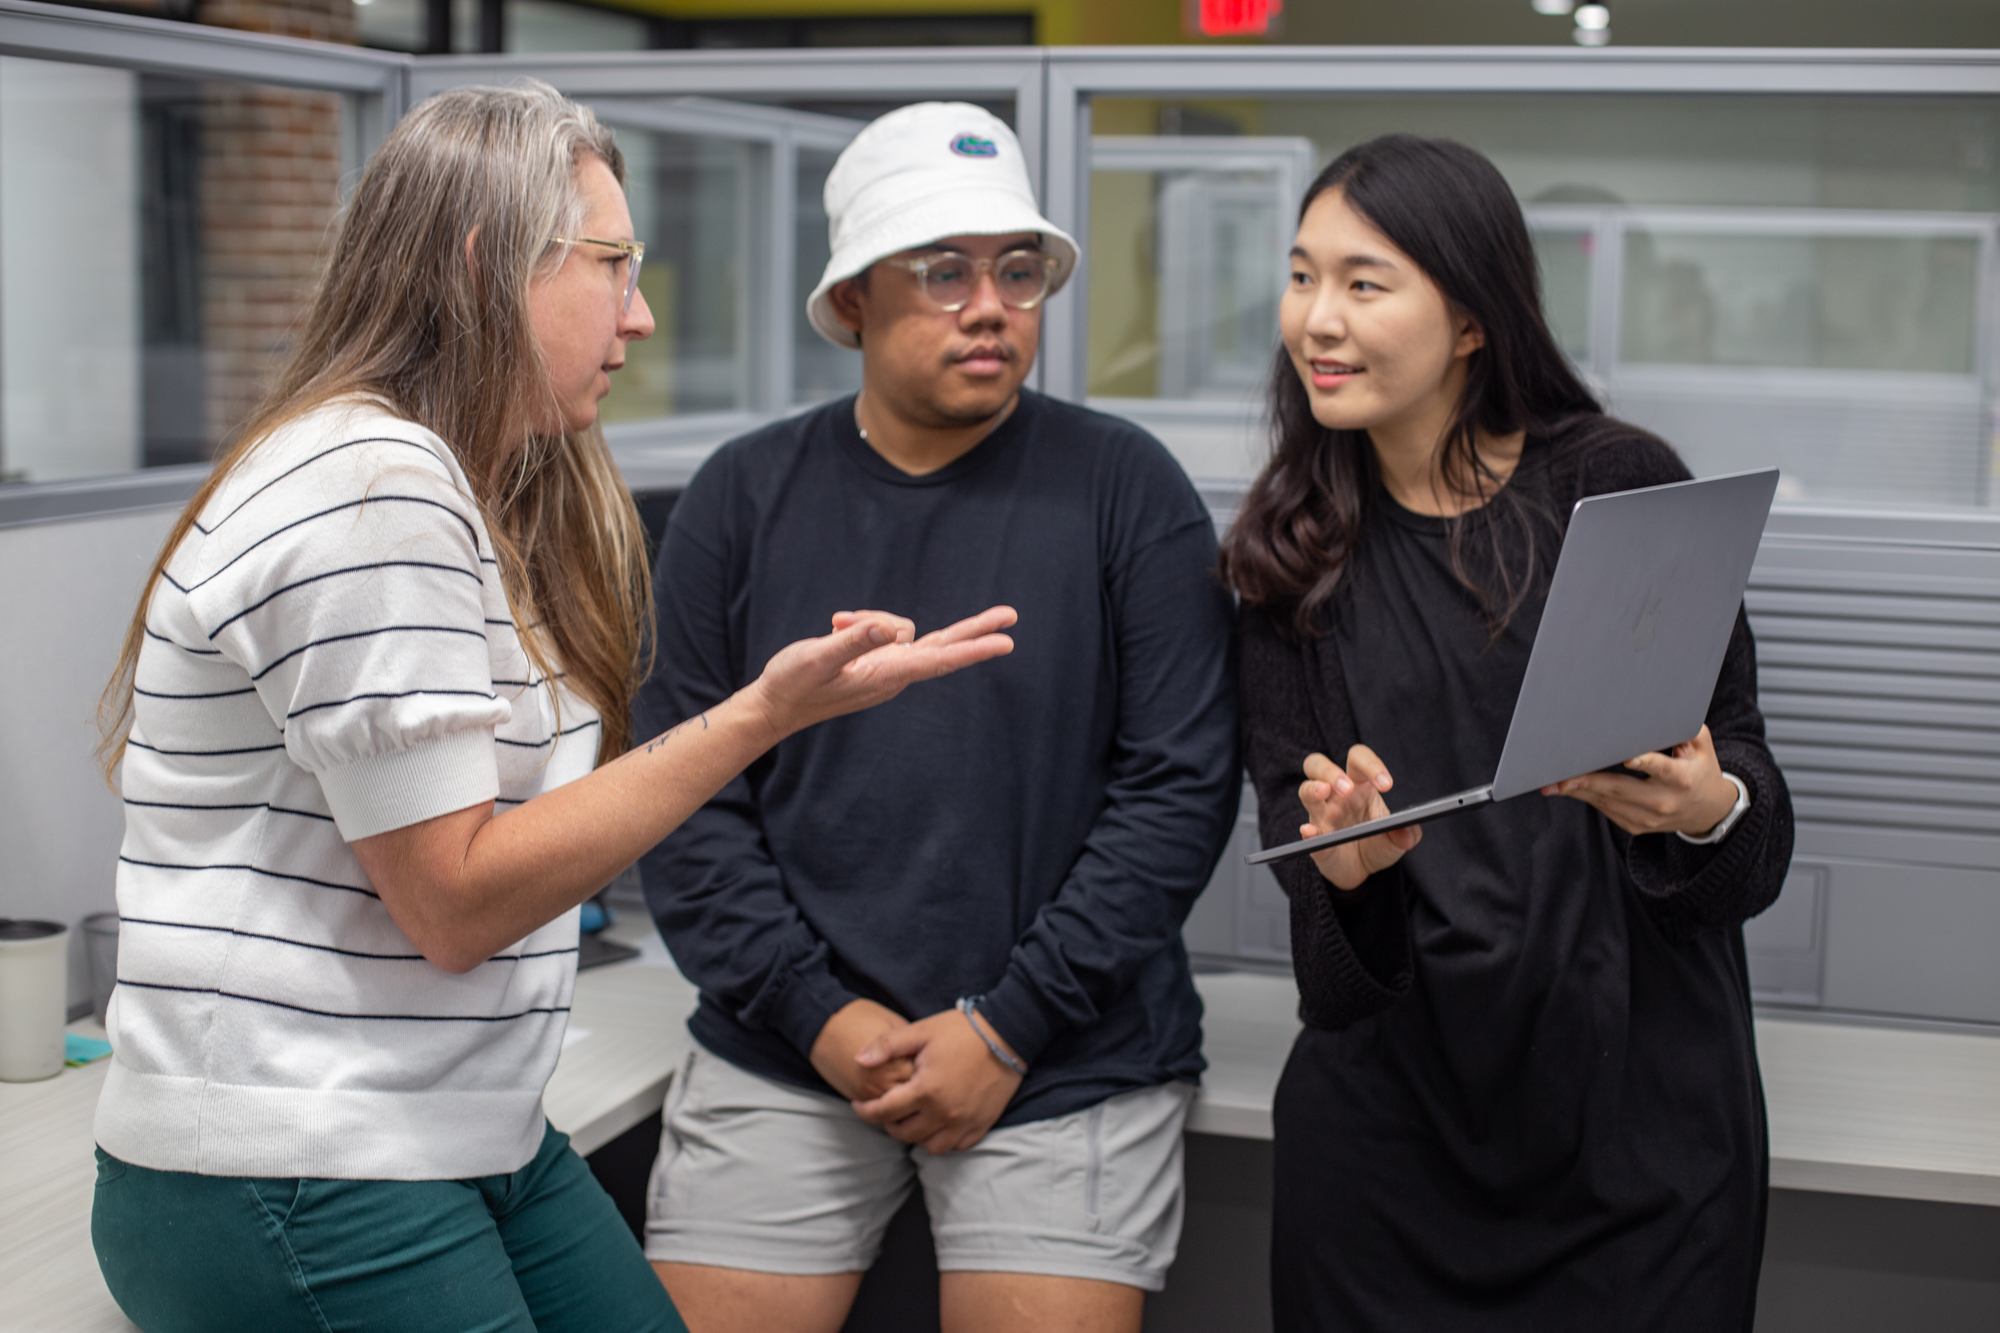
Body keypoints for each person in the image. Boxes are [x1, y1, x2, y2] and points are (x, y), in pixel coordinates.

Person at [87, 81, 1013, 1333]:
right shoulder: (370, 482)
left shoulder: (470, 485)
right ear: (487, 265)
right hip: (298, 1151)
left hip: (459, 1125)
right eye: (613, 265)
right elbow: (457, 902)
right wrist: (761, 717)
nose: (639, 315)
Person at [634, 101, 1239, 1333]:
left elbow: (1178, 788)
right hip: (789, 1043)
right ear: (853, 299)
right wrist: (817, 1015)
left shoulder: (1124, 488)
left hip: (1064, 1048)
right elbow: (682, 794)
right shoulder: (740, 497)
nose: (990, 306)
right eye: (944, 271)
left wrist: (1008, 1025)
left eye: (1017, 271)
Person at [1222, 134, 1796, 1331]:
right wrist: (1340, 864)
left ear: (1472, 320)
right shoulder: (1286, 551)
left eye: (1363, 282)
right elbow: (1325, 954)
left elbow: (1744, 816)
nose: (1317, 318)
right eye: (1300, 275)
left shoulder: (1615, 481)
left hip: (1634, 1131)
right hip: (1387, 1150)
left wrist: (1706, 809)